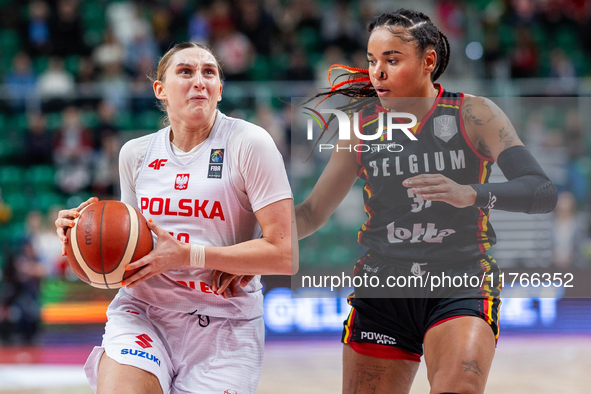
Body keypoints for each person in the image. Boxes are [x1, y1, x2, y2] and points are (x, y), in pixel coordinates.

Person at [295, 9, 557, 394]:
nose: (377, 72)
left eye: (391, 60)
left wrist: (473, 194)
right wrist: (239, 235)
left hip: (460, 279)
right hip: (383, 284)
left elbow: (540, 190)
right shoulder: (360, 127)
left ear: (428, 61)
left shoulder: (474, 113)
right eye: (371, 61)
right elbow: (312, 212)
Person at [55, 42, 297, 394]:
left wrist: (189, 254)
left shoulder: (250, 143)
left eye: (209, 72)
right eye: (185, 71)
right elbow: (129, 252)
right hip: (145, 311)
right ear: (160, 90)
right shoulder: (135, 154)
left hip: (225, 323)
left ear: (219, 89)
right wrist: (81, 237)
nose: (199, 80)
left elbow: (284, 253)